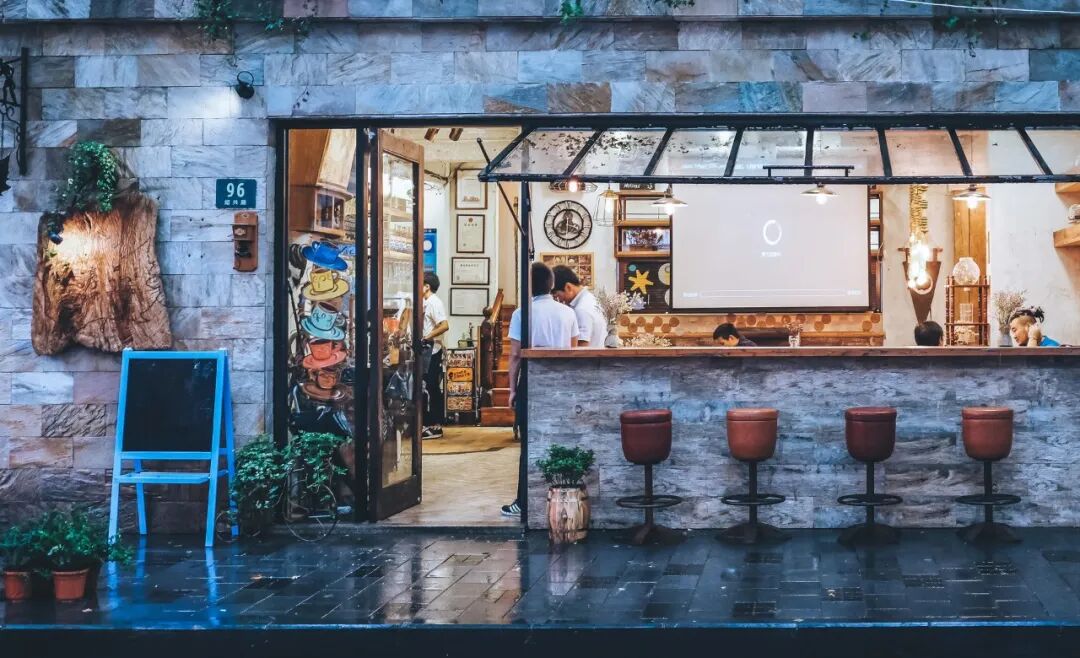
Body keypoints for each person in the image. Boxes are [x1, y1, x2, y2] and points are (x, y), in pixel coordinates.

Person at [501, 262, 579, 518]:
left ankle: (524, 502)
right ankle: (562, 498)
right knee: (562, 439)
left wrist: (512, 390)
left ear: (528, 286)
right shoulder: (568, 313)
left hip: (532, 381)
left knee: (529, 443)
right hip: (563, 383)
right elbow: (573, 351)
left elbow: (515, 356)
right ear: (551, 284)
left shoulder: (521, 313)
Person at [421, 272, 449, 439]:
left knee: (431, 387)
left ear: (427, 286)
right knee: (427, 386)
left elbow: (444, 325)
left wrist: (426, 337)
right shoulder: (426, 302)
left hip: (432, 350)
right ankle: (428, 423)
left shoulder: (434, 302)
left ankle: (436, 425)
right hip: (427, 350)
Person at [551, 264, 607, 347]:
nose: (558, 300)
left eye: (557, 296)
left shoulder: (581, 309)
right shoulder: (590, 298)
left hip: (588, 355)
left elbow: (581, 346)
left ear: (568, 287)